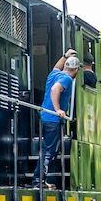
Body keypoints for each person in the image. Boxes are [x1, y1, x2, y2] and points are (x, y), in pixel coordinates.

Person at [34, 53, 80, 188]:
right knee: (49, 152)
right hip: (53, 120)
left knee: (46, 150)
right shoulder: (67, 79)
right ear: (76, 70)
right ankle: (38, 181)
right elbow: (55, 89)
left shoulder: (54, 74)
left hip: (44, 117)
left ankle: (41, 180)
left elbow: (56, 67)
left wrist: (65, 55)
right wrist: (58, 109)